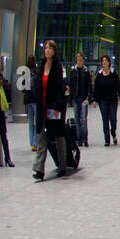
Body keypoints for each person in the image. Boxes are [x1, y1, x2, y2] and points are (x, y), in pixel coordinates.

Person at [31, 40, 70, 181]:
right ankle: (39, 169)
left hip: (54, 107)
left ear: (54, 51)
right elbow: (37, 85)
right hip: (42, 106)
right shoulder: (41, 66)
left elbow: (60, 86)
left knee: (58, 136)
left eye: (50, 48)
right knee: (42, 137)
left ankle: (62, 164)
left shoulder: (58, 67)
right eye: (46, 48)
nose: (47, 50)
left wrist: (57, 102)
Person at [93, 55, 120, 147]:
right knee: (105, 120)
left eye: (106, 60)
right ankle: (107, 139)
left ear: (109, 62)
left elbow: (118, 86)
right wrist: (95, 100)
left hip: (113, 100)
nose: (104, 62)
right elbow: (96, 89)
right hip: (103, 101)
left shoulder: (114, 74)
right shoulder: (99, 76)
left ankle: (113, 132)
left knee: (113, 119)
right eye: (103, 61)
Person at [68, 53, 92, 148]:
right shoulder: (73, 71)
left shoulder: (86, 72)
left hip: (83, 98)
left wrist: (88, 98)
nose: (79, 61)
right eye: (78, 59)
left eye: (81, 59)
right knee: (77, 119)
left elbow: (89, 86)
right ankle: (78, 139)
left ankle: (85, 139)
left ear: (83, 60)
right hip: (75, 98)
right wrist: (70, 99)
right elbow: (70, 85)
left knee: (84, 119)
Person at [23, 53, 38, 151]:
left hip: (29, 99)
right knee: (36, 122)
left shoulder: (25, 72)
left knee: (31, 122)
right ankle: (35, 143)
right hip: (35, 99)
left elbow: (22, 86)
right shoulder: (37, 71)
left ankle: (32, 142)